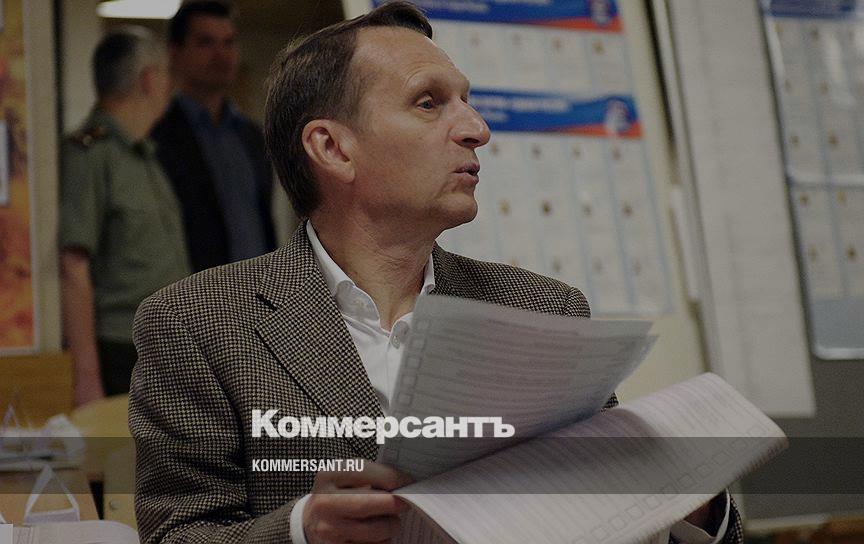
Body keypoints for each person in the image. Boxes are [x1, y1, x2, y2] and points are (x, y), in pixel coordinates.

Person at [129, 3, 741, 543]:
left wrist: (689, 504)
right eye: (429, 103)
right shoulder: (196, 323)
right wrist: (303, 530)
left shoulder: (543, 310)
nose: (477, 129)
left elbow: (613, 513)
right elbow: (178, 533)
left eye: (467, 101)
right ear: (333, 148)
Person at [59, 27, 191, 406]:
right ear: (148, 79)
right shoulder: (90, 154)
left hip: (164, 343)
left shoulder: (144, 154)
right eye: (166, 74)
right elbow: (73, 266)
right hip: (120, 349)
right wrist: (87, 377)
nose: (170, 86)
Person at [151, 0, 276, 272]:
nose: (221, 55)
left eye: (229, 43)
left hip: (259, 288)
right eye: (206, 43)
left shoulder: (253, 137)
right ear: (175, 52)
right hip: (192, 289)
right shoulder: (157, 137)